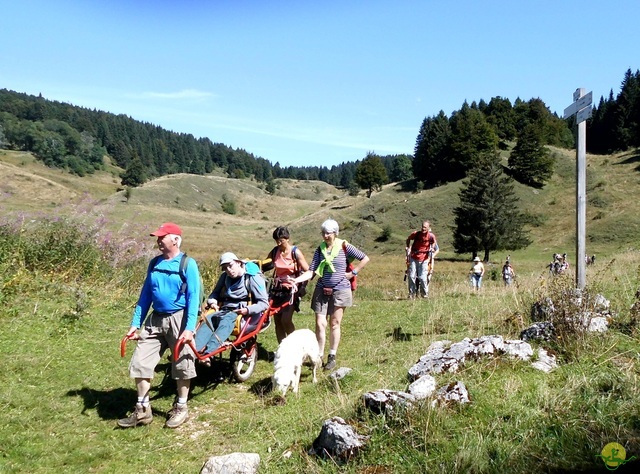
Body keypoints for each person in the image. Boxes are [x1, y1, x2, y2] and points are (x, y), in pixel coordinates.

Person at [118, 222, 201, 429]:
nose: (158, 241)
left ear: (175, 239)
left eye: (162, 237)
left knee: (182, 364)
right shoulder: (154, 263)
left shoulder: (188, 264)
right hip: (155, 319)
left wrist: (189, 329)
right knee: (140, 362)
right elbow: (145, 295)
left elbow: (193, 298)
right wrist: (135, 323)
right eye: (157, 237)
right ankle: (143, 409)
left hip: (179, 319)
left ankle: (181, 407)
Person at [289, 219, 369, 370]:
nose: (325, 236)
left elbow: (365, 258)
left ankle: (332, 356)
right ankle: (318, 357)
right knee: (320, 323)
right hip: (322, 289)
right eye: (323, 233)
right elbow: (311, 271)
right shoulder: (320, 250)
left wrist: (353, 273)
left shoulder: (344, 246)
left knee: (334, 323)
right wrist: (296, 280)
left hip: (340, 289)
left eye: (328, 233)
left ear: (335, 233)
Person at [194, 252, 269, 360]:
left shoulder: (251, 278)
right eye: (225, 268)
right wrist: (213, 302)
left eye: (230, 265)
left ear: (238, 263)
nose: (228, 270)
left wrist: (247, 310)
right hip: (223, 309)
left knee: (227, 320)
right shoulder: (225, 277)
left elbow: (263, 303)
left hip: (241, 313)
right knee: (208, 319)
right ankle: (193, 351)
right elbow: (215, 293)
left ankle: (208, 353)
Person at [262, 226, 310, 343]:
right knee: (277, 320)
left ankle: (296, 346)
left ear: (287, 239)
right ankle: (282, 348)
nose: (278, 243)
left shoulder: (295, 252)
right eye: (276, 240)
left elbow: (308, 270)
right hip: (277, 290)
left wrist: (299, 283)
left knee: (286, 320)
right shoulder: (274, 252)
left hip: (292, 290)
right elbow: (265, 265)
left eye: (281, 240)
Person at [405, 221, 440, 298]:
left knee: (422, 277)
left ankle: (424, 295)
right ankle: (412, 294)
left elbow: (434, 243)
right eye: (422, 227)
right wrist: (408, 247)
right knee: (411, 276)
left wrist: (432, 248)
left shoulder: (431, 236)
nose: (423, 228)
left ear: (428, 228)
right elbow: (408, 239)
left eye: (425, 227)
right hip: (414, 257)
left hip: (424, 258)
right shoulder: (416, 234)